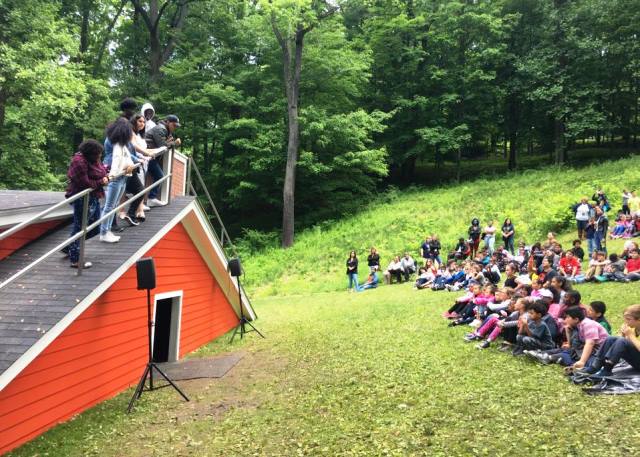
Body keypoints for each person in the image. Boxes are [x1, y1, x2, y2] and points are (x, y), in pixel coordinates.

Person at [64, 140, 108, 268]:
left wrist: (106, 174)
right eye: (98, 154)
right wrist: (102, 181)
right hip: (81, 197)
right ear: (91, 153)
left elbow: (101, 171)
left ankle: (70, 246)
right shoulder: (79, 162)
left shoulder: (93, 159)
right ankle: (75, 260)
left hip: (94, 196)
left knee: (95, 228)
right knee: (80, 228)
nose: (100, 156)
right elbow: (85, 183)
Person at [576, 304, 640, 377]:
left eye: (628, 319)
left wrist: (631, 336)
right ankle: (595, 366)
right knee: (611, 339)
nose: (626, 321)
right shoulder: (632, 328)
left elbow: (626, 343)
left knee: (621, 341)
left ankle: (607, 369)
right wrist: (623, 334)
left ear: (639, 320)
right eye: (625, 319)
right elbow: (621, 344)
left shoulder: (631, 331)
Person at [100, 119, 137, 243]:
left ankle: (108, 230)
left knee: (114, 206)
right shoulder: (117, 145)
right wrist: (112, 175)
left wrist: (133, 164)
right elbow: (116, 161)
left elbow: (128, 158)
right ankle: (104, 232)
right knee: (109, 206)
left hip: (123, 177)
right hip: (116, 178)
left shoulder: (123, 145)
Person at [145, 114, 182, 207]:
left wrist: (169, 142)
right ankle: (151, 198)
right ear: (168, 122)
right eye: (174, 125)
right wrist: (174, 143)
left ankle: (150, 198)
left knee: (157, 176)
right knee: (160, 176)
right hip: (147, 156)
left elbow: (164, 144)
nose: (175, 128)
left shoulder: (164, 130)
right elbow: (162, 146)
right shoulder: (161, 129)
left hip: (150, 156)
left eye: (176, 126)